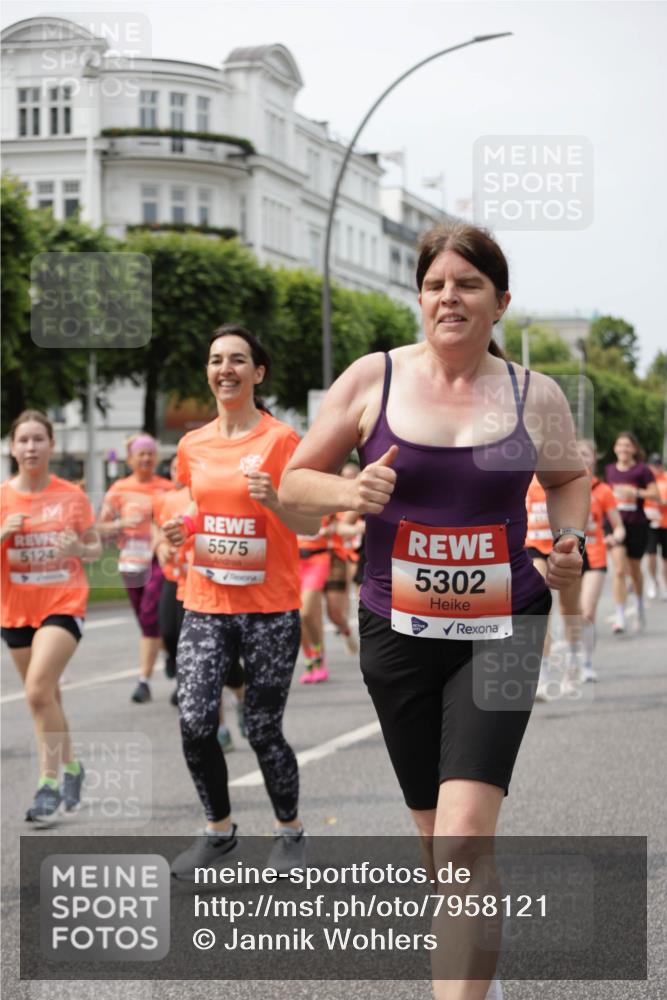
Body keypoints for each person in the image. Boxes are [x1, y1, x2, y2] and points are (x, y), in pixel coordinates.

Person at [279, 222, 589, 1000]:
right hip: (396, 631)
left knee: (461, 838)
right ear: (418, 298)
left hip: (504, 628)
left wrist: (570, 541)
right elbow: (292, 486)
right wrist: (348, 490)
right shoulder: (371, 380)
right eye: (434, 285)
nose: (448, 297)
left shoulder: (533, 394)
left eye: (467, 284)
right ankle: (468, 942)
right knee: (433, 836)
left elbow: (566, 479)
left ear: (499, 302)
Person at [163, 324, 319, 879]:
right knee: (195, 722)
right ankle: (218, 830)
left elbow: (310, 522)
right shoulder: (193, 444)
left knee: (262, 726)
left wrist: (275, 500)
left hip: (269, 608)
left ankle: (289, 832)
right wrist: (183, 527)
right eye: (215, 360)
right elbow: (194, 501)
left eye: (236, 360)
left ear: (258, 372)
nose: (224, 369)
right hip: (206, 602)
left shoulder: (282, 441)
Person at [1, 410, 101, 824]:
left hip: (63, 603)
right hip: (15, 610)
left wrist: (78, 549)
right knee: (47, 698)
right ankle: (73, 767)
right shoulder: (2, 498)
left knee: (38, 691)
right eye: (23, 440)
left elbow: (95, 549)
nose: (31, 447)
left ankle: (48, 785)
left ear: (51, 445)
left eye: (38, 439)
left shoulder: (71, 496)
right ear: (12, 447)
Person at [98, 433, 173, 702]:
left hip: (158, 559)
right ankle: (171, 652)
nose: (146, 458)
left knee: (150, 614)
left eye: (150, 453)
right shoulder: (120, 488)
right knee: (145, 620)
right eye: (141, 454)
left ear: (156, 457)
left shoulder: (166, 487)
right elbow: (101, 526)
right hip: (130, 560)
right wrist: (121, 524)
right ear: (130, 459)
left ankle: (144, 681)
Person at [525, 475, 584, 700]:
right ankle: (542, 673)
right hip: (533, 545)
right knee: (541, 606)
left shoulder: (564, 473)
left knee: (570, 609)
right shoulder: (523, 474)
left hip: (565, 546)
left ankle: (573, 661)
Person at [577, 440, 625, 682]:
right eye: (576, 454)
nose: (581, 458)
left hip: (595, 556)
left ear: (594, 458)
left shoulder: (603, 490)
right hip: (568, 557)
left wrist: (615, 538)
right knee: (570, 613)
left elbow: (619, 527)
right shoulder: (560, 487)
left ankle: (585, 663)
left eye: (585, 454)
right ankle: (571, 660)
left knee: (587, 612)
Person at [604, 432, 658, 633]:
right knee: (619, 570)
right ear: (615, 448)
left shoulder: (642, 470)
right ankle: (620, 616)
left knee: (635, 571)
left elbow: (655, 494)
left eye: (627, 445)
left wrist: (634, 492)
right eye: (620, 445)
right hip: (615, 525)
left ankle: (640, 606)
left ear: (634, 449)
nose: (623, 449)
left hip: (636, 525)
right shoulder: (609, 470)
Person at [644, 453, 667, 600]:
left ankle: (665, 584)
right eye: (653, 465)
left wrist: (662, 502)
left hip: (665, 523)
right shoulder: (646, 480)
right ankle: (653, 580)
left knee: (665, 559)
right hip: (650, 523)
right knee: (651, 554)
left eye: (658, 465)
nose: (656, 468)